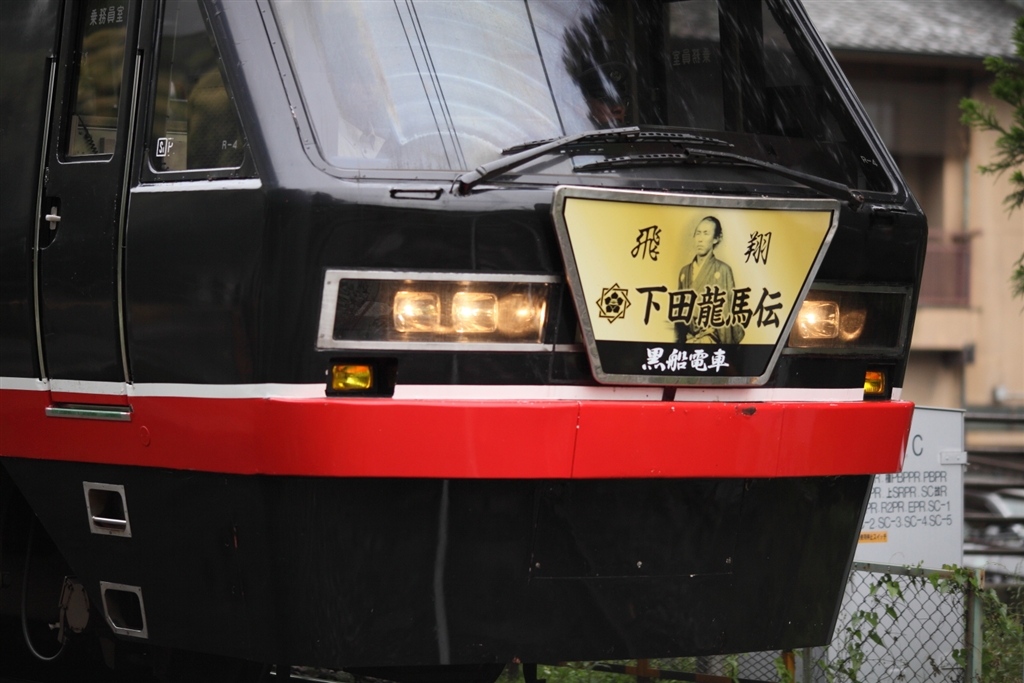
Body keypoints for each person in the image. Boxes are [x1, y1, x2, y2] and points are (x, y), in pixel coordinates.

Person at [676, 216, 745, 344]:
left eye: (706, 233)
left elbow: (726, 313)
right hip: (688, 341)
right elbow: (678, 314)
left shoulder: (723, 270)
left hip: (711, 341)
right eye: (698, 233)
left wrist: (726, 349)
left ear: (716, 239)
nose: (700, 239)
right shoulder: (684, 272)